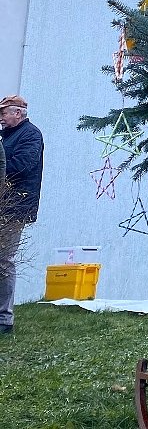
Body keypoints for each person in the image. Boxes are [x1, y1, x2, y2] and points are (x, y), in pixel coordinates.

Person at [0, 95, 44, 334]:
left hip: (14, 207)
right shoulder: (6, 135)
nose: (1, 119)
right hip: (2, 204)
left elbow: (19, 166)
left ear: (18, 113)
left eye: (4, 113)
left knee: (4, 260)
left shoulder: (30, 135)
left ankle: (4, 319)